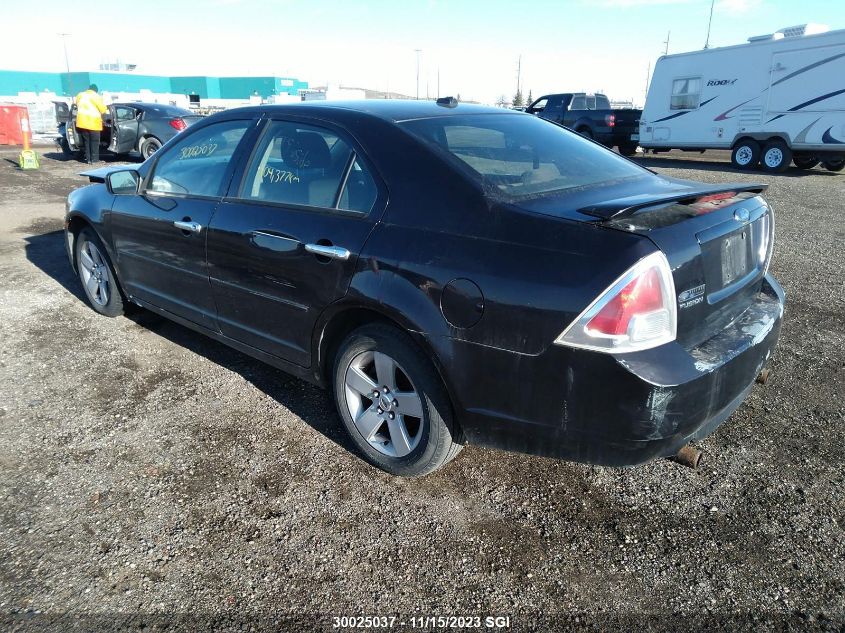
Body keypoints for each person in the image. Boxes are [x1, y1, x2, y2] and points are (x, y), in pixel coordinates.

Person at [74, 84, 108, 164]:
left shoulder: (80, 95)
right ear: (96, 90)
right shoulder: (96, 96)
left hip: (82, 122)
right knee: (95, 142)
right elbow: (103, 109)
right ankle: (95, 160)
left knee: (87, 141)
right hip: (93, 123)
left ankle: (88, 159)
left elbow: (77, 105)